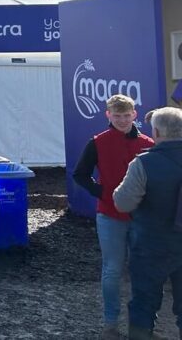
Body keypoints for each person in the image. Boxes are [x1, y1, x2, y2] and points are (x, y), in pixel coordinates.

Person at [71, 94, 154, 338]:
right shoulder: (97, 142)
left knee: (143, 271)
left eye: (126, 115)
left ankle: (142, 324)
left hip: (141, 217)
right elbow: (80, 174)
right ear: (108, 115)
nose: (122, 120)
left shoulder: (147, 143)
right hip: (109, 215)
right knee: (112, 270)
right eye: (117, 115)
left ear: (135, 115)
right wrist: (104, 193)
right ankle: (111, 323)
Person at [111, 106, 182, 339]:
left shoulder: (144, 164)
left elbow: (123, 203)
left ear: (158, 133)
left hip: (151, 246)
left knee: (143, 305)